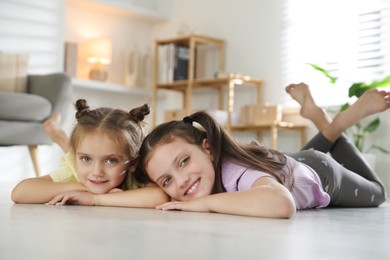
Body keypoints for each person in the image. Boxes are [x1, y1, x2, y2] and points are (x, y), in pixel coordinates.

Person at [136, 83, 389, 218]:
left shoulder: (235, 171)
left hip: (323, 173)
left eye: (183, 162)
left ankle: (335, 122)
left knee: (378, 194)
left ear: (209, 148)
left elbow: (282, 204)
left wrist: (203, 203)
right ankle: (317, 117)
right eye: (166, 180)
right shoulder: (209, 172)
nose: (180, 181)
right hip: (292, 164)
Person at [11, 99, 169, 207]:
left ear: (133, 163)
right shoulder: (75, 168)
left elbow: (159, 196)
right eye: (85, 158)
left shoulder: (136, 173)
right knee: (83, 152)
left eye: (111, 160)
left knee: (90, 151)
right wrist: (81, 187)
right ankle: (58, 134)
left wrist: (96, 199)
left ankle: (60, 136)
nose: (97, 173)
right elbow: (20, 193)